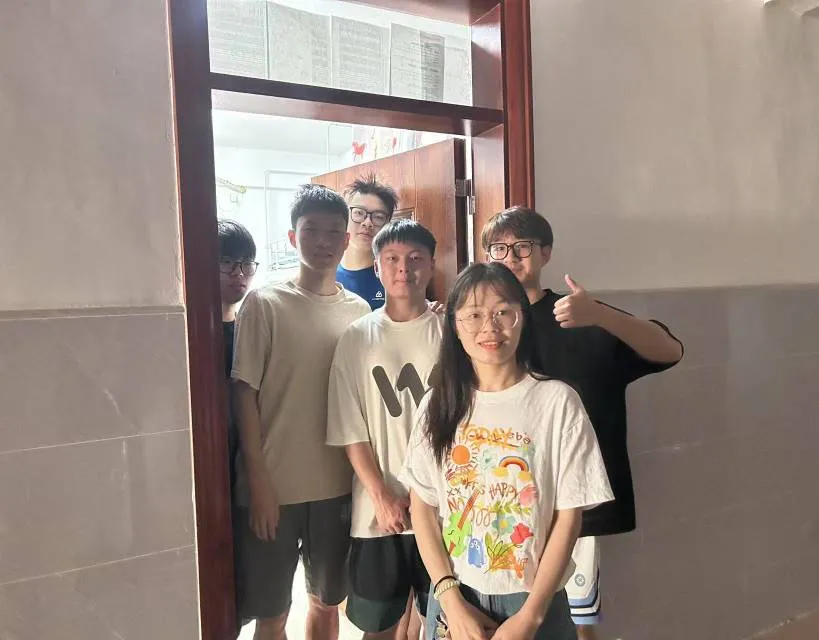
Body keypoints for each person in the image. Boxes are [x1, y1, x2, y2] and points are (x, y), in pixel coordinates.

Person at [481, 206, 684, 640]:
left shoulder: (578, 315)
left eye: (523, 247)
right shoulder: (481, 326)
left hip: (572, 502)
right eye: (499, 248)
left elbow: (670, 351)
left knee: (577, 625)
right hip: (501, 499)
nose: (510, 257)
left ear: (546, 253)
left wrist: (602, 316)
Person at [401, 262, 615, 640]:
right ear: (455, 325)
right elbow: (422, 506)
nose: (490, 327)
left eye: (503, 312)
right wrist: (451, 601)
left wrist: (530, 617)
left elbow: (569, 517)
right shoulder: (437, 404)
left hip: (533, 599)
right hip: (456, 595)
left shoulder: (557, 402)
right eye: (474, 315)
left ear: (522, 319)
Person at [231, 184, 371, 640]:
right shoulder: (265, 304)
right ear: (293, 237)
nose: (323, 242)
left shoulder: (359, 311)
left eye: (334, 232)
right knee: (272, 614)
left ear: (347, 240)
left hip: (336, 486)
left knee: (326, 604)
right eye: (311, 230)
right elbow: (244, 394)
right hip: (273, 486)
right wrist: (258, 482)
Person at [327, 219, 442, 640]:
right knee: (377, 626)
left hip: (445, 508)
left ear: (431, 265)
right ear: (376, 267)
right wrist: (381, 495)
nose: (403, 268)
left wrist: (431, 497)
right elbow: (349, 427)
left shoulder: (453, 331)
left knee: (444, 623)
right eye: (391, 259)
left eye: (415, 258)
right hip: (378, 513)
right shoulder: (357, 337)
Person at [217, 219, 258, 484]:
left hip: (246, 455)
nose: (238, 273)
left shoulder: (249, 325)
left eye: (246, 263)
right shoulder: (193, 334)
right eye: (227, 262)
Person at [337, 174, 397, 310]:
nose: (368, 223)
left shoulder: (396, 277)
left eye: (378, 217)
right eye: (359, 213)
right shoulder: (325, 275)